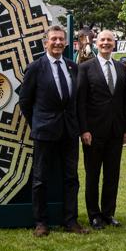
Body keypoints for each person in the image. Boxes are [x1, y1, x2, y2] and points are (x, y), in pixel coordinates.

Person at [18, 25, 88, 237]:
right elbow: (25, 101)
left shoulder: (72, 67)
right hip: (44, 131)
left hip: (69, 132)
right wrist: (37, 123)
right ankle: (41, 222)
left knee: (71, 178)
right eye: (53, 39)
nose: (57, 42)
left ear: (66, 43)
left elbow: (76, 101)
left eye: (61, 39)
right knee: (40, 179)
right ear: (45, 43)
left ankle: (70, 221)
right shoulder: (35, 68)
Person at [76, 30, 126, 229]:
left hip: (116, 131)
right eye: (102, 40)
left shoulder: (121, 68)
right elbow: (80, 102)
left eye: (109, 40)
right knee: (92, 175)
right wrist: (84, 130)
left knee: (112, 174)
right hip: (93, 132)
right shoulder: (85, 68)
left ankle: (108, 213)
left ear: (114, 44)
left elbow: (125, 101)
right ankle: (94, 215)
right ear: (96, 43)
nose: (106, 43)